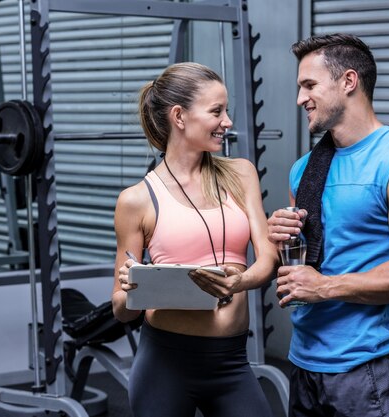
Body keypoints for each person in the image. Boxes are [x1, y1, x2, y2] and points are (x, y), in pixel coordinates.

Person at [267, 33, 389, 417]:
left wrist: (326, 287)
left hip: (368, 365)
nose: (300, 99)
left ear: (348, 81)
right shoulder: (306, 169)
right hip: (304, 360)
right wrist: (281, 235)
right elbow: (310, 261)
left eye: (309, 85)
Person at [111, 62, 278, 417]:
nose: (228, 121)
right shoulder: (136, 199)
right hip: (165, 364)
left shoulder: (240, 174)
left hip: (232, 361)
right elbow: (120, 310)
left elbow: (268, 259)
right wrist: (133, 288)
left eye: (226, 110)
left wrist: (239, 281)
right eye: (217, 111)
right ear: (180, 116)